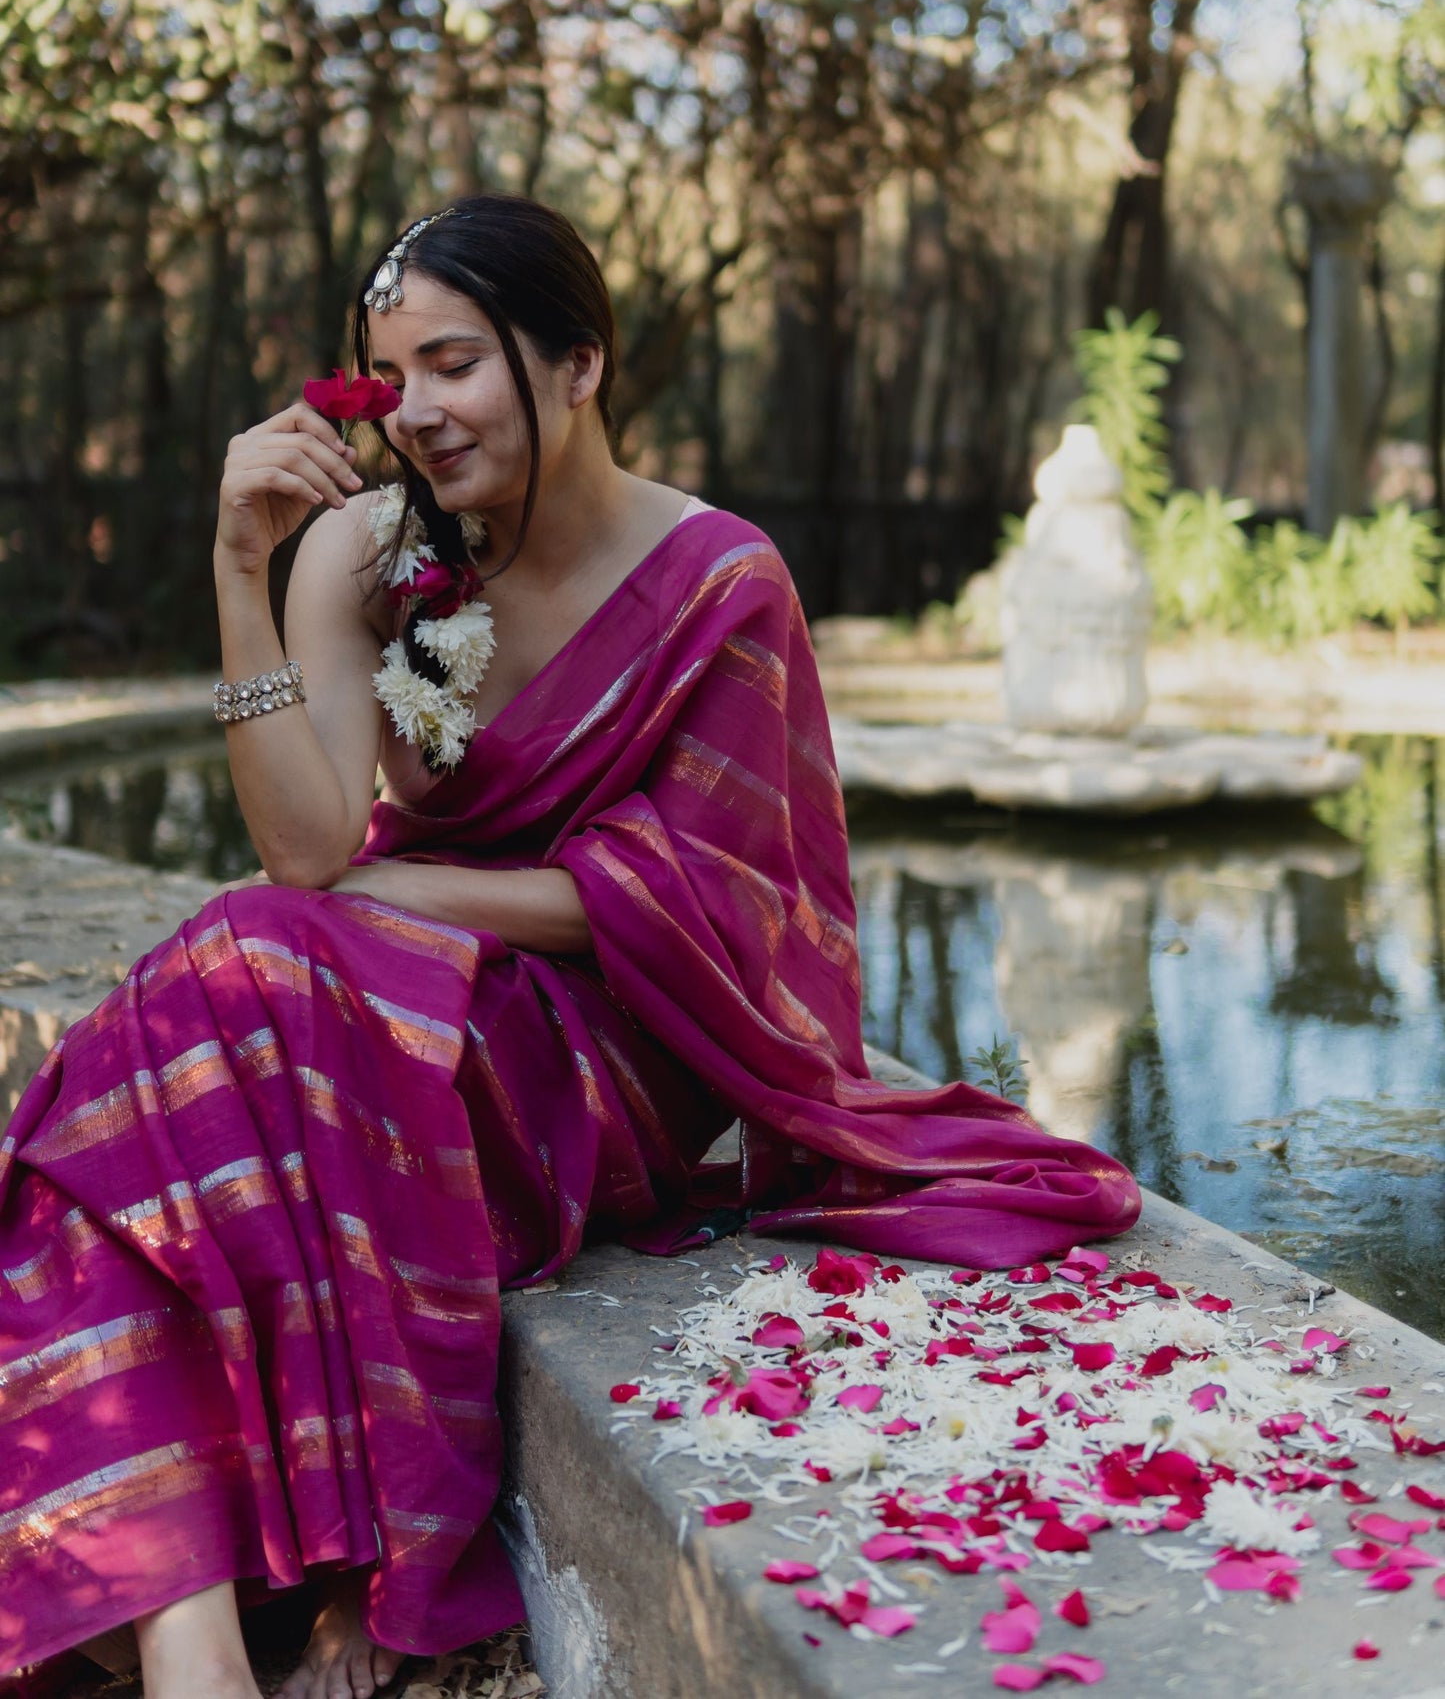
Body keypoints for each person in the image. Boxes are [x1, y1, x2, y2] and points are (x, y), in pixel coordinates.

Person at [0, 195, 1140, 1698]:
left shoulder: (722, 581)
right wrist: (238, 572)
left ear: (580, 362)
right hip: (376, 996)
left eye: (457, 364)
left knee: (238, 983)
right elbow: (303, 848)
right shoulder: (360, 554)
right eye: (391, 376)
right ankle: (189, 1634)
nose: (418, 413)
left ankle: (280, 1581)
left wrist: (406, 899)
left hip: (603, 1054)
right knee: (195, 1022)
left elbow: (719, 907)